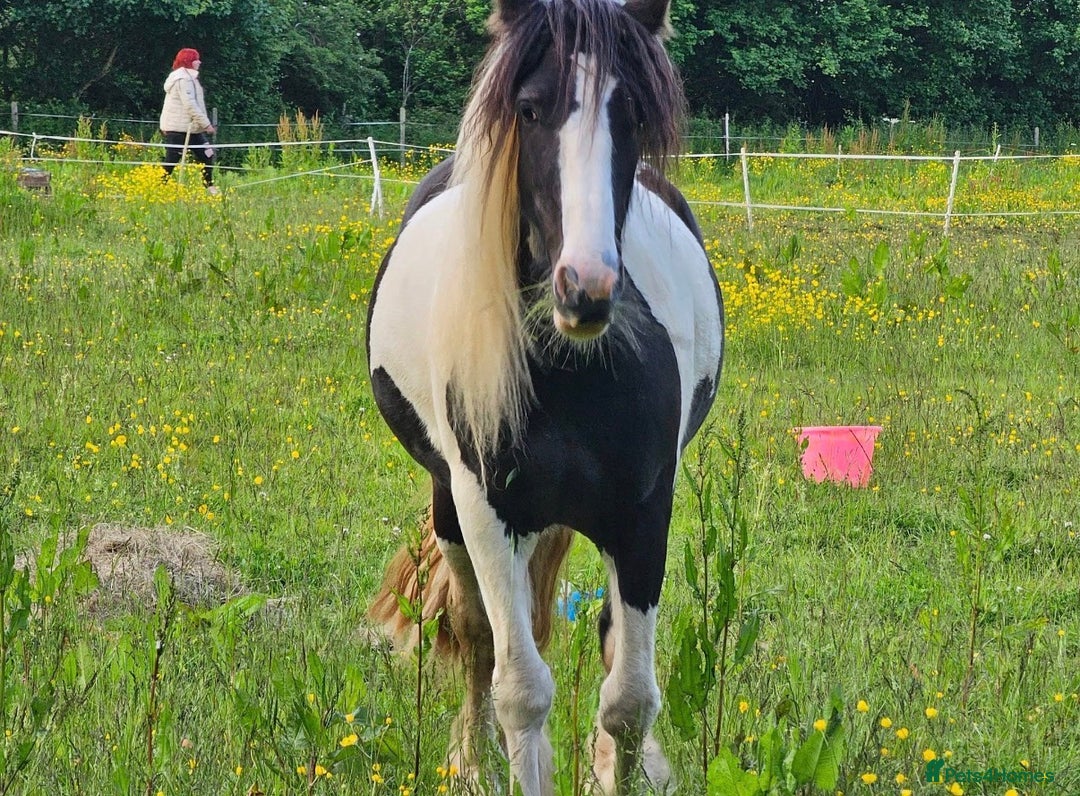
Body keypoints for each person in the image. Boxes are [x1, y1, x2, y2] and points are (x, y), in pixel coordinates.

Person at [159, 47, 219, 193]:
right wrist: (207, 125)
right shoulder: (183, 79)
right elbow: (190, 105)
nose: (199, 62)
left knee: (207, 154)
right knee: (172, 160)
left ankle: (209, 186)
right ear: (189, 61)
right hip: (178, 128)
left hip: (191, 128)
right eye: (196, 59)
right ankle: (159, 187)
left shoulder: (190, 77)